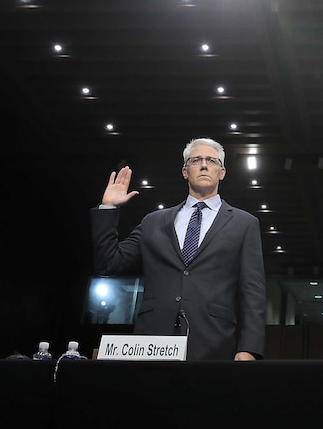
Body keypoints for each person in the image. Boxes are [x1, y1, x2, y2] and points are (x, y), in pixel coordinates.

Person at [91, 137, 266, 361]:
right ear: (185, 171)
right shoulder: (154, 221)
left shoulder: (244, 223)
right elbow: (108, 264)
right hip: (152, 342)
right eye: (196, 160)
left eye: (211, 160)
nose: (204, 165)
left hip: (214, 342)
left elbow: (253, 291)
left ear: (222, 172)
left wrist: (249, 347)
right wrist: (109, 208)